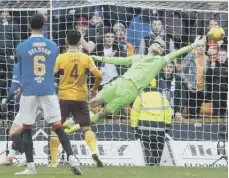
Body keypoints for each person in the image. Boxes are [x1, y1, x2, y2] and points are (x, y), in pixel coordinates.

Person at [14, 14, 82, 175]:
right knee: (57, 126)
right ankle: (71, 158)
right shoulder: (53, 46)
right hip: (48, 90)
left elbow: (22, 72)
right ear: (44, 27)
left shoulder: (21, 47)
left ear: (29, 26)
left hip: (29, 91)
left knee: (27, 128)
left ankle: (31, 167)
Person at [88, 36, 206, 124]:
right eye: (156, 44)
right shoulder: (136, 57)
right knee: (93, 102)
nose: (158, 46)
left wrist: (192, 46)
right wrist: (96, 57)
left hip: (130, 93)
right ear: (149, 46)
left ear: (161, 52)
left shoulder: (159, 61)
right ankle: (74, 120)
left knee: (102, 113)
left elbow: (176, 53)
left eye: (161, 47)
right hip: (120, 83)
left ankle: (78, 126)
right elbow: (117, 60)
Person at [51, 31, 103, 168]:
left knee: (55, 127)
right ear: (80, 42)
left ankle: (53, 161)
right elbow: (99, 75)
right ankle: (94, 152)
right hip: (80, 97)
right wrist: (94, 89)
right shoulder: (86, 58)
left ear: (66, 41)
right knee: (86, 127)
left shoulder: (60, 58)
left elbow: (50, 74)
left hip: (64, 97)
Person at [130, 79, 172, 165]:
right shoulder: (162, 97)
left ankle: (150, 164)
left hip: (144, 127)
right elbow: (168, 112)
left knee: (147, 149)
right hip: (159, 127)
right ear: (155, 85)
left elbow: (134, 113)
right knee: (157, 149)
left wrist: (134, 128)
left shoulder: (140, 97)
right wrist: (167, 126)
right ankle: (156, 164)